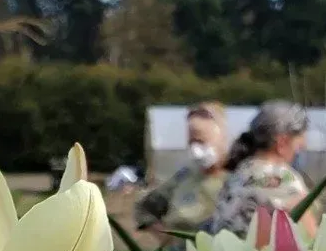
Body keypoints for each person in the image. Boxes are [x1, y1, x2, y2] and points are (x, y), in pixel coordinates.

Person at [210, 101, 313, 237]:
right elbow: (311, 236)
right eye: (299, 142)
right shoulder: (284, 178)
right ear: (282, 143)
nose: (303, 147)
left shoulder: (237, 174)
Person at [134, 102, 230, 233]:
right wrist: (165, 237)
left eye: (202, 141)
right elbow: (145, 207)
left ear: (222, 139)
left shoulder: (239, 177)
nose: (196, 150)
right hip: (181, 250)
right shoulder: (183, 176)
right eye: (192, 142)